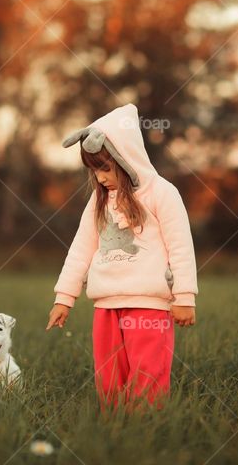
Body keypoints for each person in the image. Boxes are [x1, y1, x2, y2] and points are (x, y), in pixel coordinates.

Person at [45, 103, 198, 411]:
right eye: (93, 170)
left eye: (104, 167)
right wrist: (65, 297)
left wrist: (184, 296)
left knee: (148, 373)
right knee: (109, 376)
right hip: (106, 304)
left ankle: (145, 427)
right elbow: (81, 248)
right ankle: (114, 426)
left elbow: (181, 245)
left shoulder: (162, 193)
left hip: (149, 304)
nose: (99, 178)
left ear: (125, 157)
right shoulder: (99, 202)